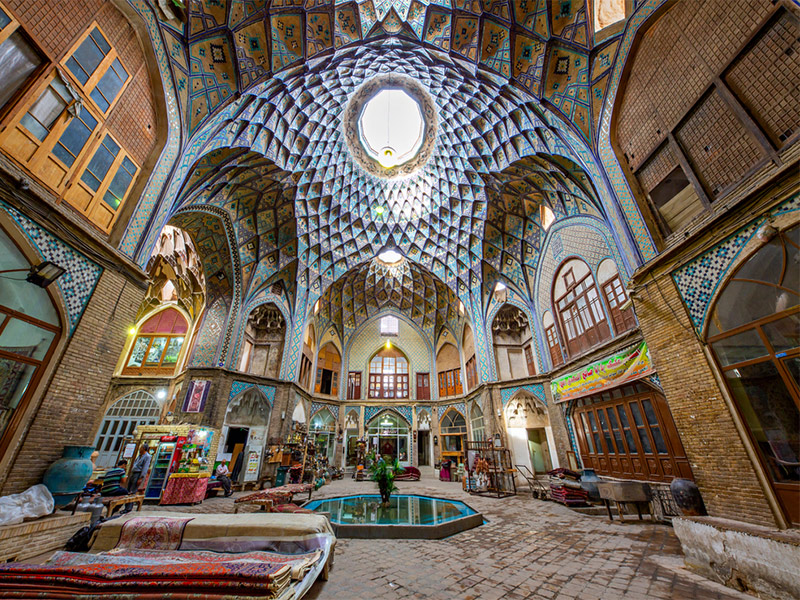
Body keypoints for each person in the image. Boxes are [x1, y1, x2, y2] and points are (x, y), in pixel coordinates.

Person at [124, 444, 151, 510]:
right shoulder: (139, 456)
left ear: (144, 448)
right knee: (128, 490)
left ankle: (129, 508)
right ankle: (126, 507)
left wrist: (141, 477)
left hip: (138, 474)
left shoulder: (147, 456)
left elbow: (145, 467)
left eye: (141, 447)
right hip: (133, 473)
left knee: (133, 491)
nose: (139, 448)